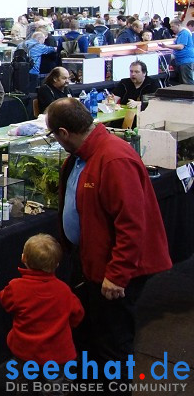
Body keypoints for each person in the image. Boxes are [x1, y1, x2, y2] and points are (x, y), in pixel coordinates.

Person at [47, 98, 171, 362]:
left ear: (64, 133)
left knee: (113, 343)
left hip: (112, 272)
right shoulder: (81, 157)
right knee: (89, 337)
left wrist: (117, 274)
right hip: (91, 264)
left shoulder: (113, 159)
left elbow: (132, 224)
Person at [0, 233, 83, 365]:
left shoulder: (16, 287)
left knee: (23, 384)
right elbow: (77, 314)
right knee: (57, 385)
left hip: (24, 352)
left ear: (23, 258)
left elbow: (5, 301)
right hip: (58, 355)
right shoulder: (64, 290)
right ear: (57, 265)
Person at [168, 19, 194, 85]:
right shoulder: (179, 34)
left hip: (185, 61)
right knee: (183, 83)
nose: (171, 28)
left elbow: (180, 46)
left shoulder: (184, 33)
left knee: (187, 83)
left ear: (178, 25)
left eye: (172, 26)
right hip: (181, 61)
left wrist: (166, 46)